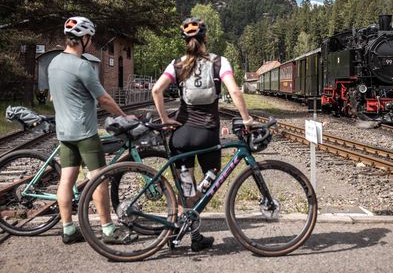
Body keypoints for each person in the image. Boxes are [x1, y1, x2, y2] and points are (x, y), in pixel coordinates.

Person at [152, 17, 253, 252]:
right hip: (206, 135)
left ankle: (189, 231)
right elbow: (235, 91)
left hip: (181, 135)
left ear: (185, 41)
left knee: (185, 188)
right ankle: (192, 229)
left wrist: (166, 119)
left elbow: (156, 90)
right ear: (205, 38)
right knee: (210, 179)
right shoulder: (219, 62)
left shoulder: (176, 64)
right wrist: (246, 118)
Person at [48, 16, 138, 244]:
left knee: (66, 179)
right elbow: (104, 99)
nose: (91, 42)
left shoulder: (53, 63)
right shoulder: (82, 66)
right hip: (85, 132)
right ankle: (108, 230)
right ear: (83, 38)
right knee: (99, 179)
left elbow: (52, 96)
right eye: (90, 38)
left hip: (64, 132)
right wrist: (123, 115)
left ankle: (67, 229)